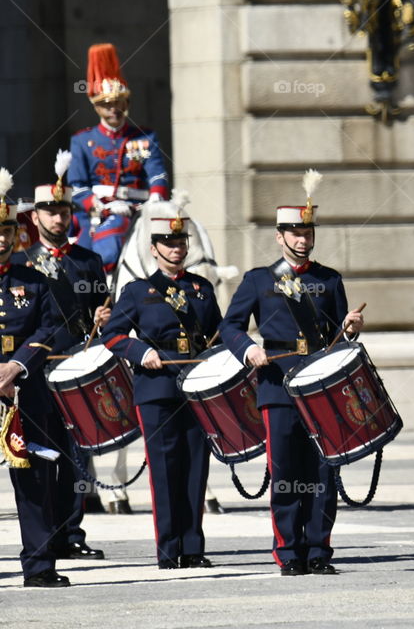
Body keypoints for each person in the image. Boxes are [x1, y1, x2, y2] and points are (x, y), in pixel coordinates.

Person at [220, 170, 364, 576]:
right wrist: (248, 349)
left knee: (322, 471)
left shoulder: (329, 280)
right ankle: (288, 552)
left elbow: (337, 340)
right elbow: (229, 327)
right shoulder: (258, 280)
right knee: (285, 473)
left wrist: (348, 329)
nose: (303, 239)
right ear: (279, 236)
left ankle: (319, 550)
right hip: (277, 384)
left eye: (308, 232)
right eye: (294, 233)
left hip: (322, 387)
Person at [101, 207, 218, 569]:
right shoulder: (138, 291)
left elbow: (218, 333)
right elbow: (113, 335)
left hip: (196, 386)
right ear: (154, 249)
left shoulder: (201, 288)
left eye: (181, 242)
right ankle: (169, 549)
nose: (176, 249)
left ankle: (193, 547)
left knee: (196, 468)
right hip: (156, 387)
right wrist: (142, 351)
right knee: (165, 470)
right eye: (168, 243)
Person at [11, 151, 111, 561]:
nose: (57, 218)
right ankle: (46, 536)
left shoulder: (87, 260)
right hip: (37, 370)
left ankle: (72, 532)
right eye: (49, 212)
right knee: (42, 453)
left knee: (76, 456)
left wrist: (105, 316)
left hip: (77, 369)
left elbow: (102, 311)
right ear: (34, 218)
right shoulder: (22, 263)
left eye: (63, 210)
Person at [0, 168, 70, 586]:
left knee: (33, 479)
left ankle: (40, 565)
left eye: (7, 231)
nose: (2, 239)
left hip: (23, 392)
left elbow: (49, 330)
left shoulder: (35, 281)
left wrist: (15, 366)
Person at [68, 43, 169, 274]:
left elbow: (158, 175)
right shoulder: (82, 141)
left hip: (142, 209)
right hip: (98, 213)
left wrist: (154, 200)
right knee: (89, 259)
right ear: (97, 108)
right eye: (107, 104)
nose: (113, 109)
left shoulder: (144, 137)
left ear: (127, 104)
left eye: (118, 103)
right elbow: (77, 187)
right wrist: (104, 205)